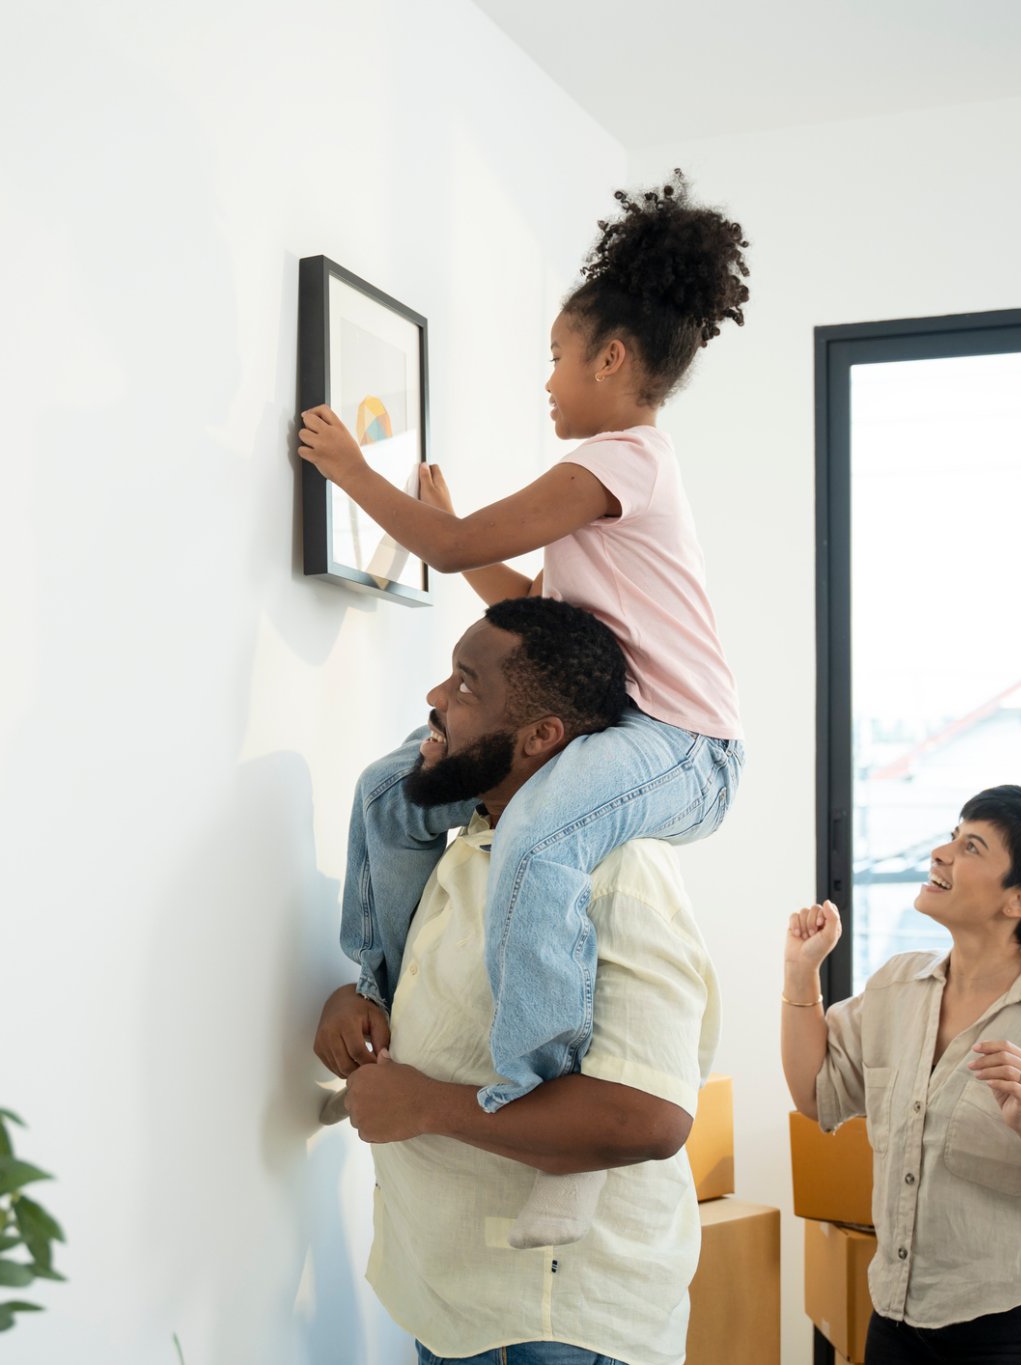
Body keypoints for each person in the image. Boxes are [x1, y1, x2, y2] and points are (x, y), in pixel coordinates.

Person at [296, 169, 747, 1248]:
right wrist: (445, 529)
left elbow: (453, 549)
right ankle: (388, 1004)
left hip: (685, 747)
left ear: (610, 359)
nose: (545, 381)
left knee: (537, 843)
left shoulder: (621, 460)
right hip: (608, 729)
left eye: (555, 356)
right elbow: (525, 601)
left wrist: (354, 472)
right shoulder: (603, 481)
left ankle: (534, 1107)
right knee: (387, 793)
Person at [314, 596, 720, 1365]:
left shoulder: (620, 870)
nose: (435, 698)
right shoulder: (472, 839)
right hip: (459, 1305)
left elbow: (649, 1120)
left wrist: (426, 1106)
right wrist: (361, 992)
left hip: (548, 1322)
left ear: (541, 736)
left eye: (466, 686)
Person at [781, 785, 1021, 1364]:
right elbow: (816, 1093)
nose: (941, 854)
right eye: (953, 835)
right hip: (901, 1320)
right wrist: (801, 975)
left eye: (971, 846)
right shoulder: (896, 986)